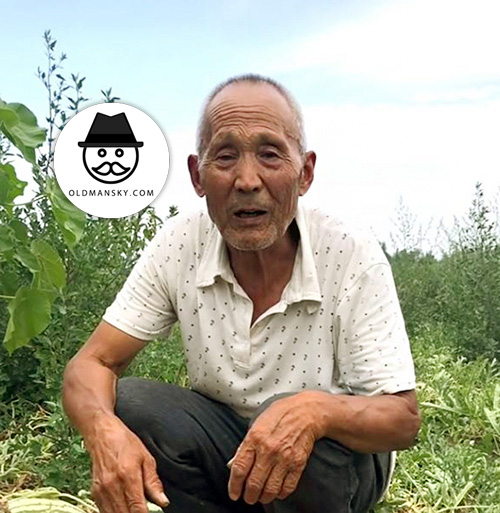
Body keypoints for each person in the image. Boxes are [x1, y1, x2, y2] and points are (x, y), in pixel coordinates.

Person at [62, 74, 420, 513]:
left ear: (304, 173)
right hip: (228, 444)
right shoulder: (179, 243)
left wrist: (314, 412)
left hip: (337, 463)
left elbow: (401, 419)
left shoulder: (350, 253)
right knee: (134, 403)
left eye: (270, 155)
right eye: (225, 157)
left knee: (294, 418)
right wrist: (103, 432)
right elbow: (92, 363)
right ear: (198, 175)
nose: (247, 180)